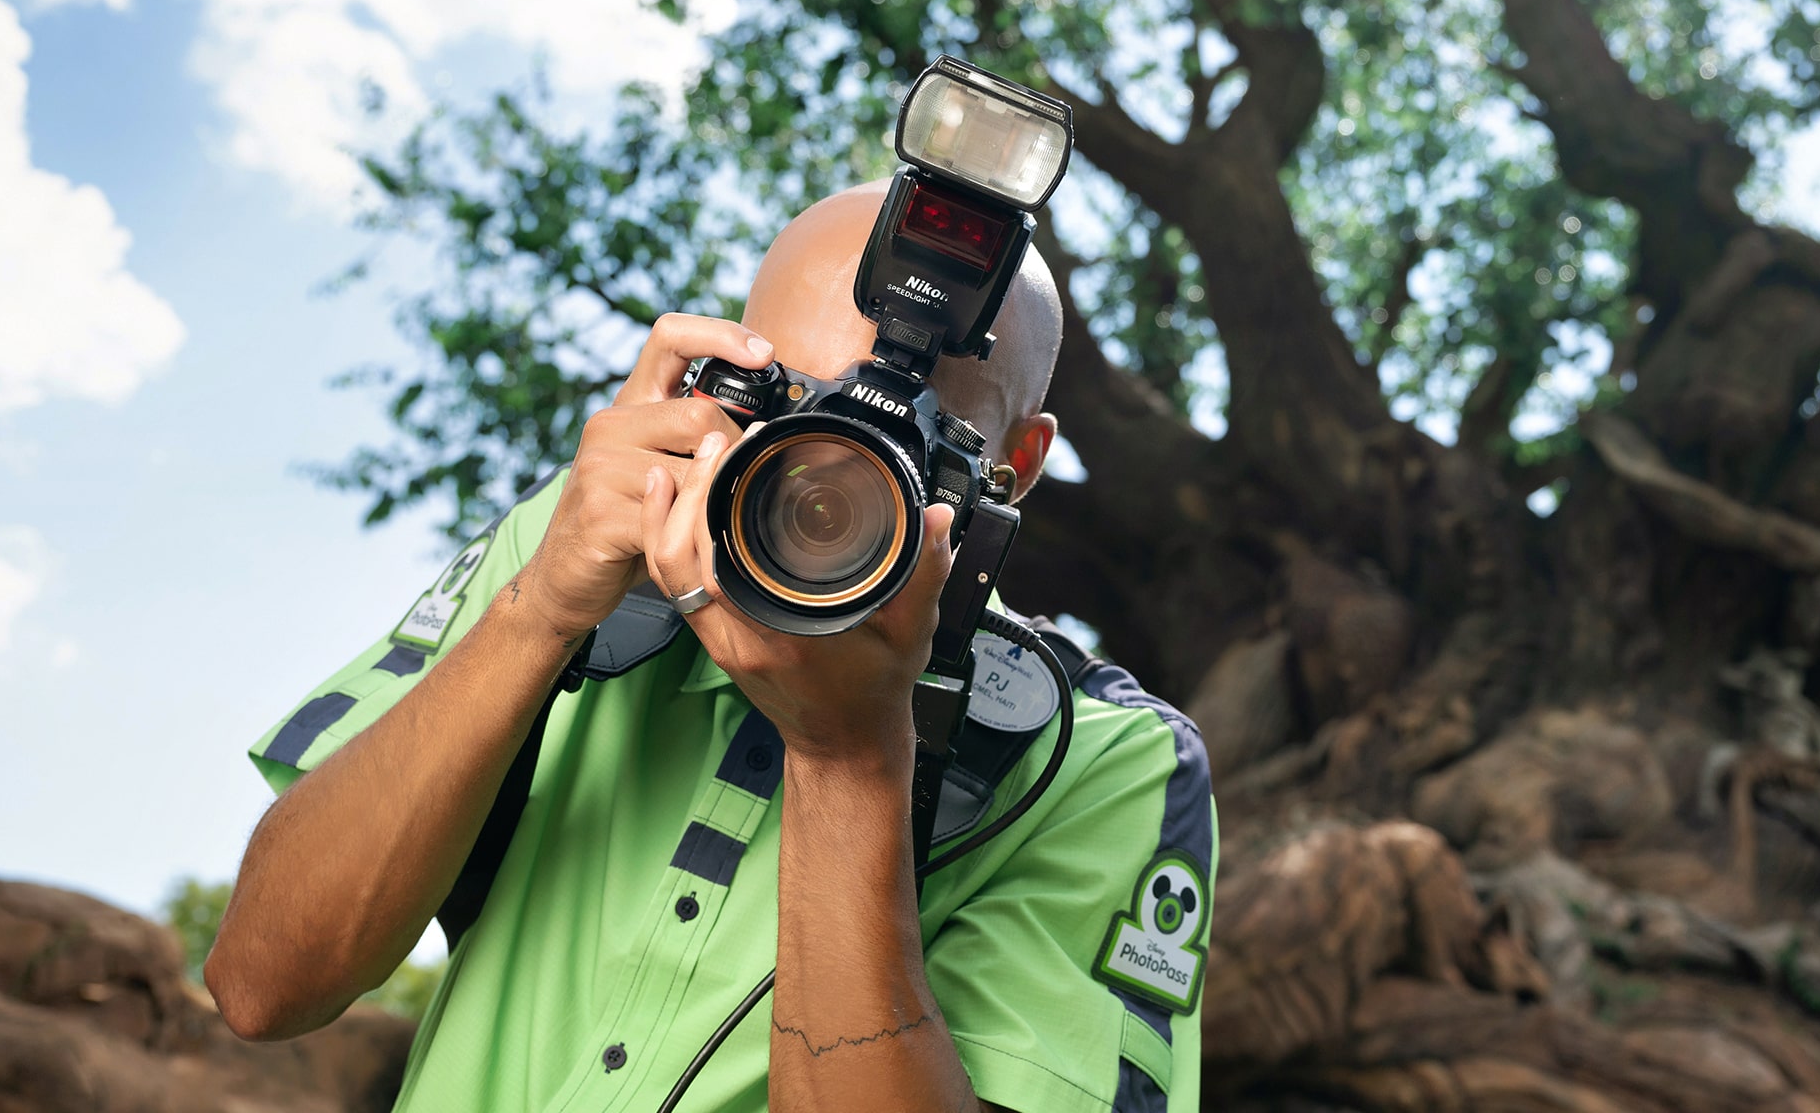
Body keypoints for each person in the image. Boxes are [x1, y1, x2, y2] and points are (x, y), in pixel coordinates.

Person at [205, 181, 1215, 1113]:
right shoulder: (568, 558)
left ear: (1018, 464)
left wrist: (849, 760)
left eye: (915, 441)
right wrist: (540, 609)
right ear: (721, 370)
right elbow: (260, 982)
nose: (828, 477)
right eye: (799, 404)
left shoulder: (1102, 759)